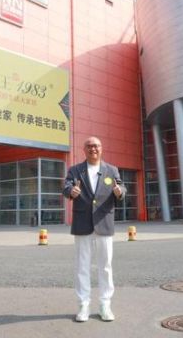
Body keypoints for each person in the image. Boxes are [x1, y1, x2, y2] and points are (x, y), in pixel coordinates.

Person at [63, 136, 126, 322]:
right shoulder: (75, 170)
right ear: (84, 150)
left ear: (101, 148)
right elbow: (66, 186)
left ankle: (105, 304)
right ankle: (83, 305)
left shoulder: (111, 170)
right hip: (82, 223)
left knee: (105, 266)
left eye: (96, 146)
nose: (93, 149)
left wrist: (120, 192)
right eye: (89, 146)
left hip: (104, 222)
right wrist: (70, 191)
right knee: (82, 266)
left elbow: (121, 187)